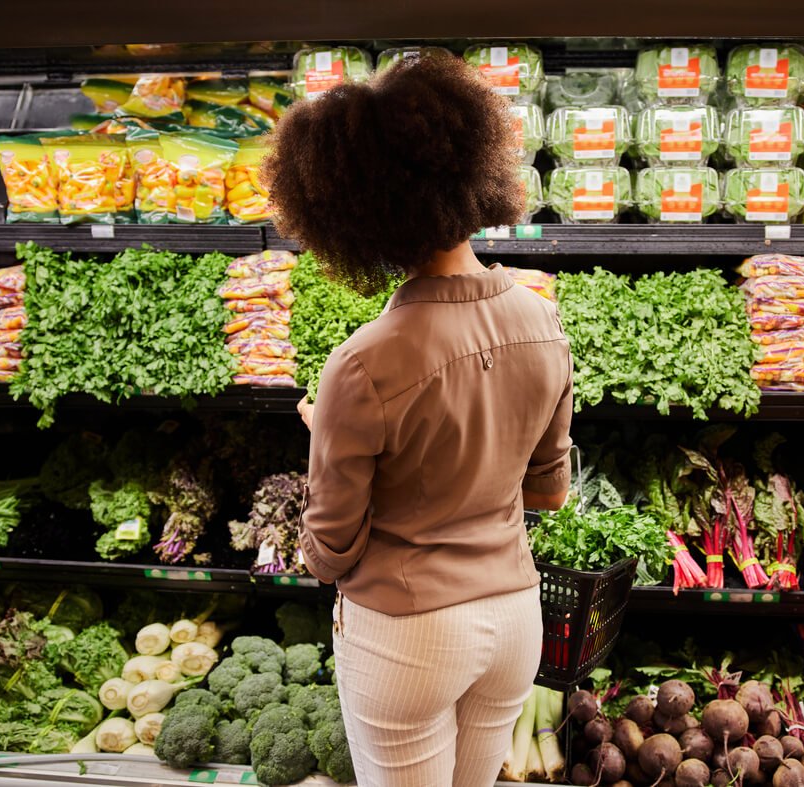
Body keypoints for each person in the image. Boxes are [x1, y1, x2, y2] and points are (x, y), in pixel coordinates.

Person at [261, 54, 574, 787]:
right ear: (473, 171)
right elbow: (548, 492)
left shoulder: (362, 364)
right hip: (511, 619)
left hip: (407, 633)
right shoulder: (542, 321)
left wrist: (327, 436)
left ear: (350, 211)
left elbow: (329, 552)